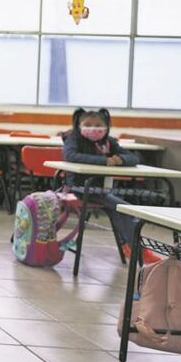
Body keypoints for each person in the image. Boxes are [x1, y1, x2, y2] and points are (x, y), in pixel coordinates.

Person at [61, 107, 161, 265]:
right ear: (78, 125)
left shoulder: (108, 142)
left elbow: (133, 158)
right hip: (78, 188)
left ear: (106, 126)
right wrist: (104, 161)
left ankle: (128, 245)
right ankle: (135, 248)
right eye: (88, 124)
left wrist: (120, 159)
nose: (93, 128)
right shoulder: (73, 138)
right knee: (123, 207)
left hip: (100, 190)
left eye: (98, 124)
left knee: (120, 209)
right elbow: (70, 155)